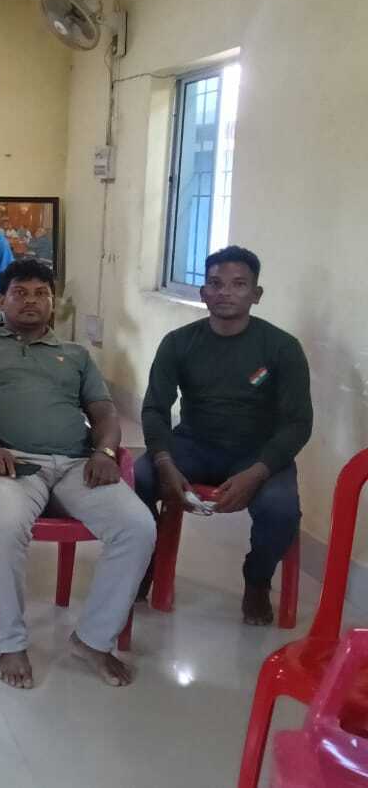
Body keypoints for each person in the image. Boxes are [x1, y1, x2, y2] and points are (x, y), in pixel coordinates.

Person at [0, 259, 156, 690]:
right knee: (3, 527)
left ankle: (93, 639)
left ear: (52, 302)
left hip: (77, 465)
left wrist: (106, 451)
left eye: (41, 293)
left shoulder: (76, 355)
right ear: (1, 301)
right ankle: (10, 642)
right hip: (10, 464)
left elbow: (104, 411)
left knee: (138, 526)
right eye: (20, 293)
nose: (31, 301)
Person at [135, 245, 312, 627]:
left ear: (256, 294)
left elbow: (298, 423)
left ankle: (257, 579)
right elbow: (154, 409)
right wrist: (164, 461)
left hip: (258, 452)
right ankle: (144, 564)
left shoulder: (281, 347)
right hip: (193, 444)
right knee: (139, 477)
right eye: (215, 284)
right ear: (203, 293)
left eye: (238, 284)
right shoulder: (178, 342)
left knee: (280, 510)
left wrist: (258, 472)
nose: (225, 292)